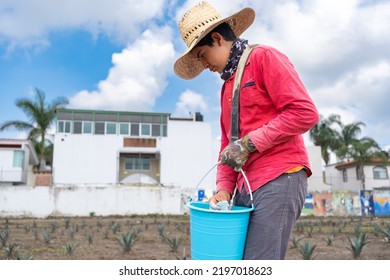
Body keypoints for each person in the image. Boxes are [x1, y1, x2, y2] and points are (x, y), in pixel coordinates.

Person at [174, 2, 319, 260]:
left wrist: (251, 142)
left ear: (217, 39)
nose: (205, 66)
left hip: (279, 176)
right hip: (246, 187)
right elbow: (227, 146)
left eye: (202, 56)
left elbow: (304, 112)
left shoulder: (264, 57)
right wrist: (224, 189)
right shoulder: (226, 88)